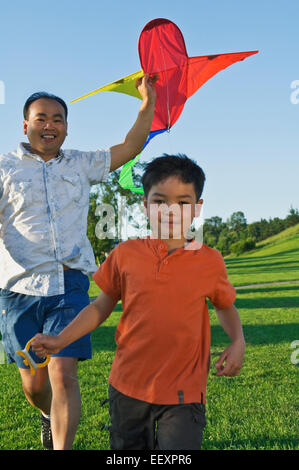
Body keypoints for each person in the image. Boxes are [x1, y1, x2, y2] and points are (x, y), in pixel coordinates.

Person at [32, 154, 246, 450]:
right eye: (160, 201)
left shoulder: (209, 260)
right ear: (145, 205)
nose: (171, 211)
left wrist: (237, 341)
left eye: (183, 203)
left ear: (197, 209)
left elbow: (225, 305)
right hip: (127, 386)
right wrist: (60, 340)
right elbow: (98, 308)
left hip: (185, 392)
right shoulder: (125, 254)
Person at [0, 74, 157, 450]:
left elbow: (132, 146)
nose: (49, 125)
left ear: (67, 129)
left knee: (63, 373)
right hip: (18, 289)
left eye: (57, 119)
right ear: (26, 125)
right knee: (34, 384)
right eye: (41, 118)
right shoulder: (5, 168)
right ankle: (46, 413)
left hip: (69, 284)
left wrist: (146, 101)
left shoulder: (81, 164)